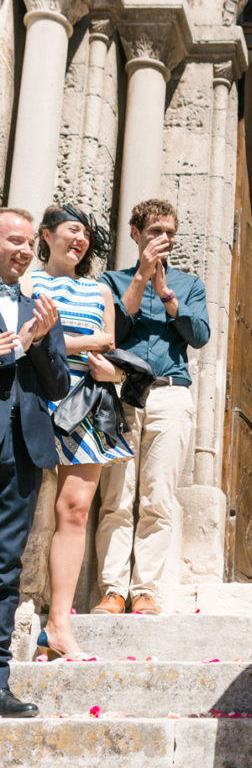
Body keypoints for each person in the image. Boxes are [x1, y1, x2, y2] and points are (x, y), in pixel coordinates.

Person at [93, 199, 209, 616]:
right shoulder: (112, 280)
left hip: (170, 393)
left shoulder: (189, 283)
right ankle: (112, 588)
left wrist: (166, 294)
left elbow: (198, 335)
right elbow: (111, 333)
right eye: (156, 231)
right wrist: (141, 279)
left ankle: (145, 589)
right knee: (117, 496)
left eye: (170, 233)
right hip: (122, 392)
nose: (165, 240)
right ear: (135, 233)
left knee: (157, 496)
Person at [30, 204, 131, 661]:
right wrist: (84, 342)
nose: (81, 239)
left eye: (86, 233)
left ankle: (59, 625)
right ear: (46, 235)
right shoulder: (29, 283)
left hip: (84, 404)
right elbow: (24, 335)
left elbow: (109, 344)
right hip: (32, 398)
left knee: (74, 511)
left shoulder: (99, 291)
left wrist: (105, 364)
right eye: (72, 229)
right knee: (25, 510)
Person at [0, 207, 69, 716]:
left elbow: (60, 384)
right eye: (14, 241)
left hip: (21, 449)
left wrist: (39, 343)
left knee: (5, 568)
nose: (24, 251)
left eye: (28, 244)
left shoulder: (40, 307)